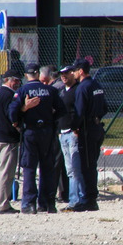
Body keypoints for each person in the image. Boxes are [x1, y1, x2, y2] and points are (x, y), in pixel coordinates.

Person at [9, 63, 65, 214]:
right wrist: (51, 119)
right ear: (39, 74)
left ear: (26, 75)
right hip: (47, 132)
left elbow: (12, 111)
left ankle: (29, 204)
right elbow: (62, 109)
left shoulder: (23, 91)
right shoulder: (50, 90)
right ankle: (48, 203)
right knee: (47, 168)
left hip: (30, 131)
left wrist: (17, 120)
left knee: (29, 168)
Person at [71, 58, 108, 211]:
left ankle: (88, 199)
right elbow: (105, 107)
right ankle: (91, 198)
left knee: (86, 166)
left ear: (81, 71)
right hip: (97, 128)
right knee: (92, 164)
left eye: (74, 70)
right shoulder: (96, 85)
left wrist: (74, 127)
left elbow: (79, 112)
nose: (73, 73)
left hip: (87, 130)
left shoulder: (82, 87)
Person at [0, 69, 24, 215]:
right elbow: (12, 115)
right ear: (8, 80)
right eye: (15, 80)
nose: (17, 83)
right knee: (6, 172)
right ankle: (2, 204)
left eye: (18, 81)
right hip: (7, 138)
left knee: (5, 170)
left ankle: (2, 202)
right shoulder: (9, 95)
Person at [57, 65, 86, 212]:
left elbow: (80, 111)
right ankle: (80, 197)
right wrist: (59, 131)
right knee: (70, 170)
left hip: (72, 133)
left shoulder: (77, 90)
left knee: (74, 169)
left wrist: (76, 128)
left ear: (73, 74)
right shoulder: (61, 91)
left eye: (67, 73)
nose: (63, 76)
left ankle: (76, 200)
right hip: (63, 134)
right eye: (61, 74)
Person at [40, 64, 69, 204]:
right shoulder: (63, 87)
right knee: (64, 162)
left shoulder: (54, 89)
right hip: (64, 127)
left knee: (56, 161)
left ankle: (52, 192)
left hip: (56, 128)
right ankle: (64, 193)